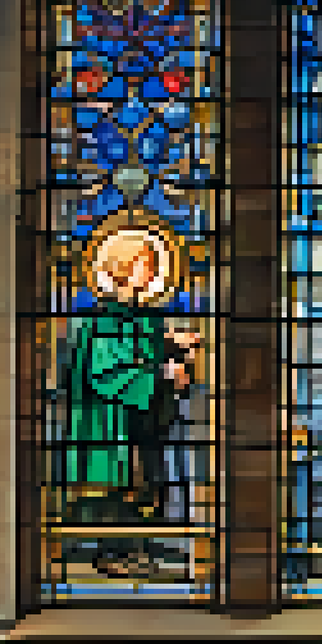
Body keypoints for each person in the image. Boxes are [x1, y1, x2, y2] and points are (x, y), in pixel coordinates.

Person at [58, 216, 199, 577]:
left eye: (154, 268)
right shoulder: (102, 319)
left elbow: (142, 350)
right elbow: (106, 372)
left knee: (148, 484)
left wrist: (173, 346)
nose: (151, 275)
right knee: (123, 488)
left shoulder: (142, 317)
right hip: (114, 426)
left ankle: (141, 548)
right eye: (144, 266)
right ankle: (117, 552)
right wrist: (163, 371)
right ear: (120, 269)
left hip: (142, 420)